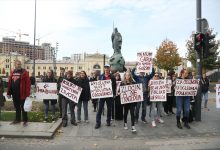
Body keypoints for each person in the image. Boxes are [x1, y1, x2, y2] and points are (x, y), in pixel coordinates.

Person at [7, 60, 31, 127]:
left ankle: (25, 121)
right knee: (17, 107)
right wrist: (9, 92)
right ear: (15, 65)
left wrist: (27, 94)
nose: (19, 65)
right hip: (14, 94)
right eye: (18, 64)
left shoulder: (24, 72)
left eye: (20, 64)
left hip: (22, 93)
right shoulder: (13, 72)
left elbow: (28, 83)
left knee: (24, 107)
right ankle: (17, 119)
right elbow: (10, 83)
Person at [95, 64, 116, 129]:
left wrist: (114, 94)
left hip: (109, 96)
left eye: (107, 68)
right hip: (102, 96)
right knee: (100, 109)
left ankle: (108, 121)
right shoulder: (101, 76)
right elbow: (98, 85)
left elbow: (114, 86)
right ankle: (98, 122)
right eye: (105, 68)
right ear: (104, 69)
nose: (106, 69)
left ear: (109, 69)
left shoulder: (112, 77)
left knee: (109, 109)